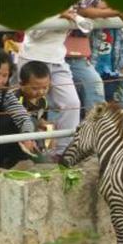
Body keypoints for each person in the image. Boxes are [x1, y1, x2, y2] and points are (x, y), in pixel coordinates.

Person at [18, 10, 81, 160]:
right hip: (32, 58)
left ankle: (62, 153)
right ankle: (21, 151)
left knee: (71, 103)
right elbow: (33, 33)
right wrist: (58, 15)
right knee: (22, 107)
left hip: (58, 60)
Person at [0, 50, 39, 168]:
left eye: (5, 75)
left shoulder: (5, 94)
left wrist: (27, 137)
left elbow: (24, 118)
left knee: (27, 123)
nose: (0, 80)